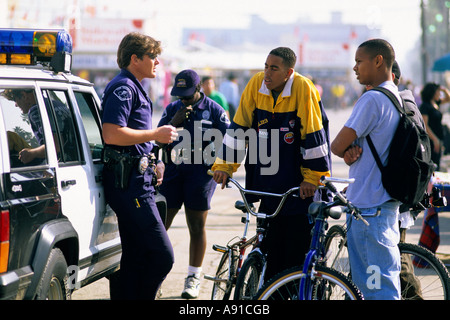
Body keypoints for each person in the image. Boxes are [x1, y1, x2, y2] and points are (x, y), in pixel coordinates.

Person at [212, 47, 331, 281]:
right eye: (266, 66)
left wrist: (312, 177)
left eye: (274, 68)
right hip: (266, 179)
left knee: (295, 253)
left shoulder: (303, 88)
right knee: (269, 249)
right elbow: (238, 128)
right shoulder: (256, 84)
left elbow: (314, 136)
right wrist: (224, 166)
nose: (267, 73)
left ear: (288, 72)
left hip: (299, 186)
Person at [101, 32, 178, 299]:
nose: (158, 62)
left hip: (137, 179)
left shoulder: (135, 86)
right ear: (135, 59)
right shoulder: (124, 87)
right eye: (153, 57)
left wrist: (154, 158)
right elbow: (111, 134)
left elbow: (132, 137)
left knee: (135, 256)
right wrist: (155, 135)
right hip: (130, 186)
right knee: (161, 256)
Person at [331, 39, 402, 300]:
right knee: (380, 284)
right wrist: (351, 149)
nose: (355, 68)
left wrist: (346, 149)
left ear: (378, 61)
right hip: (384, 206)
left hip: (368, 211)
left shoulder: (372, 99)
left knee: (375, 291)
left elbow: (337, 144)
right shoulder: (396, 96)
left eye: (359, 61)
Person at [157, 69, 230, 299]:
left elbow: (232, 141)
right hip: (172, 173)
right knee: (160, 228)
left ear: (198, 89)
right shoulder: (172, 108)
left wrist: (223, 168)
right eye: (180, 95)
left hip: (200, 175)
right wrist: (173, 122)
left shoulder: (215, 111)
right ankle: (155, 276)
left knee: (196, 227)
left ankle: (193, 277)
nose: (184, 99)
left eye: (187, 95)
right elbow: (156, 139)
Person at [419, 83, 450, 171]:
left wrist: (443, 89)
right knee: (432, 164)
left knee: (437, 163)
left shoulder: (436, 103)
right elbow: (425, 124)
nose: (439, 94)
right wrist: (435, 139)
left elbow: (448, 98)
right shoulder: (425, 106)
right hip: (431, 140)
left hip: (438, 138)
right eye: (438, 92)